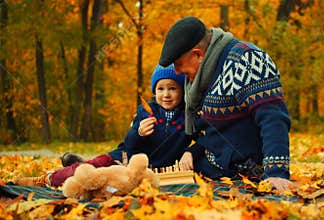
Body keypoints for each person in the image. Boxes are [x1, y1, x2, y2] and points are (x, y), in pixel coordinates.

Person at [159, 16, 292, 191]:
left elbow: (272, 118)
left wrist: (276, 172)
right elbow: (212, 133)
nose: (176, 71)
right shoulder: (201, 76)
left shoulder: (247, 60)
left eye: (179, 64)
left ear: (198, 54)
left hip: (245, 174)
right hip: (211, 168)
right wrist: (192, 152)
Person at [16, 64, 192, 187]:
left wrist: (190, 152)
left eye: (172, 88)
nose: (166, 94)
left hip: (147, 172)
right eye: (160, 89)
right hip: (121, 158)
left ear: (182, 91)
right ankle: (45, 179)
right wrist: (138, 132)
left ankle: (80, 163)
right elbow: (129, 143)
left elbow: (203, 139)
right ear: (154, 92)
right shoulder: (146, 111)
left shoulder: (187, 116)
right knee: (89, 169)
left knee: (101, 181)